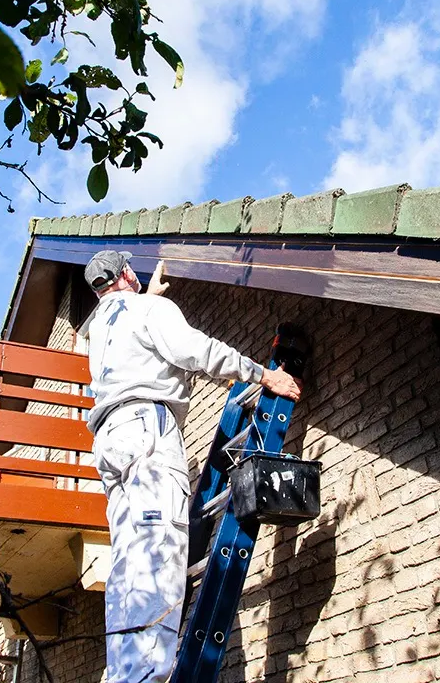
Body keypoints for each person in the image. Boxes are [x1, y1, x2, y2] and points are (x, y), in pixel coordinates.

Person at [82, 249, 301, 683]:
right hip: (147, 428)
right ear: (127, 273)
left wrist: (147, 295)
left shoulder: (98, 329)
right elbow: (194, 349)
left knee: (129, 563)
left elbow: (121, 313)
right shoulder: (149, 308)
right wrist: (262, 375)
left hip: (110, 440)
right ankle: (144, 676)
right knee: (159, 552)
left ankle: (122, 673)